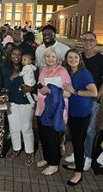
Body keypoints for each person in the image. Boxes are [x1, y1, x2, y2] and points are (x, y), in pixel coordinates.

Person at [65, 31, 103, 171]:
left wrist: (97, 96)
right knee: (78, 131)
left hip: (91, 100)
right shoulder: (78, 57)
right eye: (85, 39)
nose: (88, 42)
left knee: (89, 130)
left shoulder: (100, 59)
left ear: (95, 41)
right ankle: (78, 154)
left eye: (91, 40)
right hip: (75, 100)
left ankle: (87, 157)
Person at [62, 48, 97, 186]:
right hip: (72, 111)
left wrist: (75, 91)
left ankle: (78, 173)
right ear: (66, 59)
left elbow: (93, 92)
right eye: (70, 57)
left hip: (81, 113)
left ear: (79, 59)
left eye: (75, 57)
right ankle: (78, 164)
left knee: (78, 142)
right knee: (76, 141)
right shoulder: (69, 72)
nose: (73, 60)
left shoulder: (84, 73)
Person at [35, 47, 71, 176]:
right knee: (43, 135)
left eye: (53, 57)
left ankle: (54, 164)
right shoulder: (43, 69)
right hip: (42, 108)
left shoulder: (62, 71)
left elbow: (68, 93)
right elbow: (40, 84)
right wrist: (41, 88)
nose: (50, 59)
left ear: (58, 59)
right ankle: (47, 158)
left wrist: (51, 91)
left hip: (55, 111)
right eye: (47, 56)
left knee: (52, 138)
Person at [1, 47, 35, 166]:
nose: (16, 56)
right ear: (10, 55)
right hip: (11, 102)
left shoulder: (28, 68)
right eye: (14, 54)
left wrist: (32, 88)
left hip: (25, 102)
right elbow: (3, 86)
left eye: (19, 54)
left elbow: (34, 83)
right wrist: (12, 77)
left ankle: (29, 152)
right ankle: (16, 149)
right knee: (14, 127)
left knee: (26, 128)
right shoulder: (5, 69)